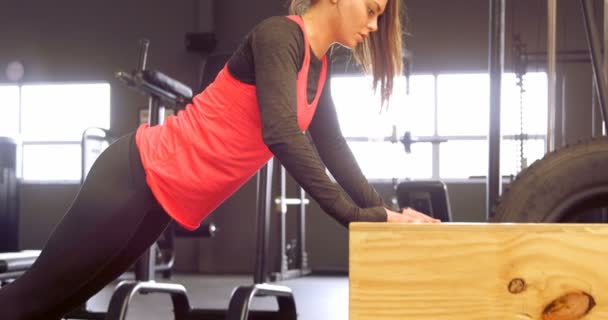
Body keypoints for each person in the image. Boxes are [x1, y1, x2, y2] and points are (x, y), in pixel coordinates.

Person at [0, 0, 440, 318]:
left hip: (159, 203)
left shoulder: (317, 68)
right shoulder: (280, 35)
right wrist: (357, 217)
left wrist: (385, 213)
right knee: (29, 301)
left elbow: (335, 151)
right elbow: (283, 134)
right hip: (133, 177)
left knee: (53, 307)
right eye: (371, 9)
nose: (374, 24)